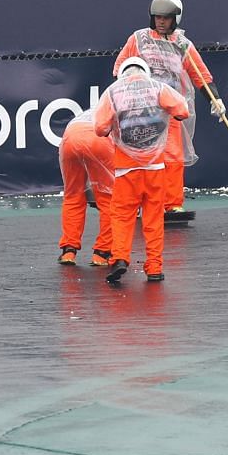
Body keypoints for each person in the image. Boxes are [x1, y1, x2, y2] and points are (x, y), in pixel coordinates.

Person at [114, 0, 218, 220]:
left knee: (172, 156)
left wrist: (215, 99)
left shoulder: (183, 45)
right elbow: (121, 67)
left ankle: (172, 204)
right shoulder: (139, 39)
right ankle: (146, 203)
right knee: (144, 157)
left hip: (170, 110)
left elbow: (200, 75)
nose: (161, 21)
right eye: (157, 17)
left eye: (166, 18)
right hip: (143, 110)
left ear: (176, 19)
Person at [94, 56, 189, 284]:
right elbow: (182, 110)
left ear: (123, 72)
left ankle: (119, 257)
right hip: (155, 167)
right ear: (145, 71)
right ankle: (154, 267)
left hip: (126, 169)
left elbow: (99, 129)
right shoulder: (158, 88)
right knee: (154, 218)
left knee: (121, 216)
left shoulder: (112, 92)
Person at [56, 108, 115, 268]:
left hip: (71, 139)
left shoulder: (94, 110)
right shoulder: (123, 112)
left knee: (73, 195)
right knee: (108, 199)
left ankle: (68, 250)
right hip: (99, 139)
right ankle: (102, 253)